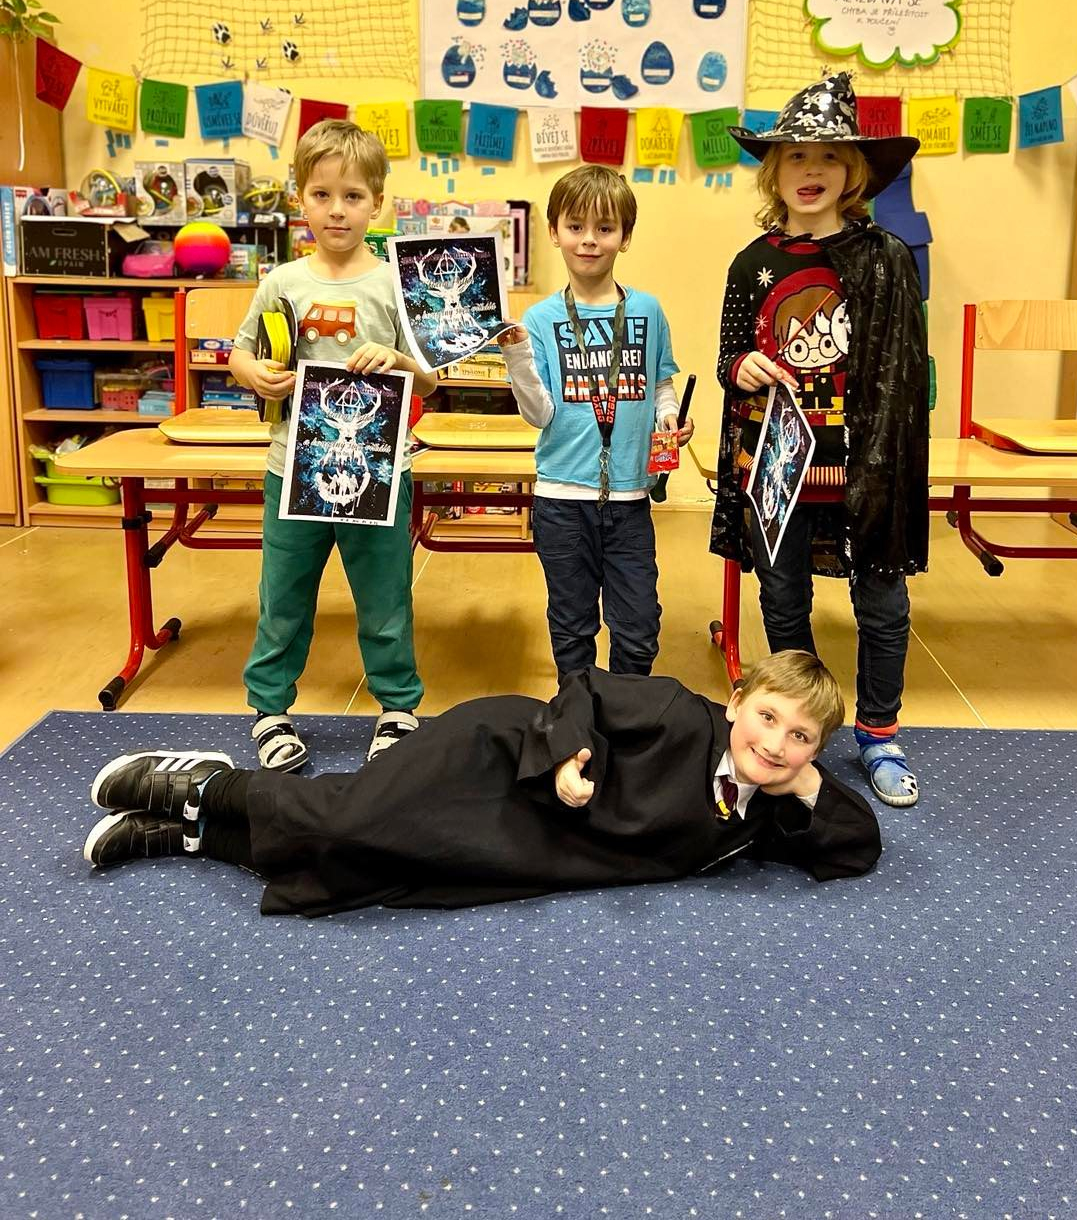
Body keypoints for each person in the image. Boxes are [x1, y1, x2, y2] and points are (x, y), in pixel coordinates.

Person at [81, 651, 881, 913]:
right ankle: (206, 787)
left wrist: (808, 789)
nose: (774, 744)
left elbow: (856, 847)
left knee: (368, 865)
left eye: (800, 739)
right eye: (767, 717)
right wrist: (569, 758)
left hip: (529, 844)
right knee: (354, 815)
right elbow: (583, 690)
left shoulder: (767, 809)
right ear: (737, 700)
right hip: (504, 756)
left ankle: (191, 838)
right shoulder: (680, 712)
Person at [714, 74, 929, 809]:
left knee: (883, 604)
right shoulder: (755, 262)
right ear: (774, 171)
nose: (812, 170)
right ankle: (793, 728)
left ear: (854, 172)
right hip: (777, 469)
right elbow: (729, 355)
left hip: (862, 466)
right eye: (797, 157)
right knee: (783, 601)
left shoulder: (886, 257)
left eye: (831, 157)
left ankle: (879, 733)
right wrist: (741, 367)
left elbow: (904, 371)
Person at [228, 119, 438, 772]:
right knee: (283, 595)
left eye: (352, 196)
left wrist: (399, 361)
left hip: (378, 471)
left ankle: (397, 707)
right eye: (322, 195)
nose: (337, 210)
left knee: (385, 597)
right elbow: (238, 352)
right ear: (300, 199)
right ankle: (269, 708)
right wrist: (254, 374)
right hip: (292, 468)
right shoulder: (281, 281)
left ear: (378, 202)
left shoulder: (396, 284)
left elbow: (431, 377)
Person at [498, 165, 693, 679]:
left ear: (624, 237)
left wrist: (669, 418)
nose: (589, 240)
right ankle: (578, 713)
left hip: (629, 501)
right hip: (562, 500)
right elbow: (539, 414)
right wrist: (517, 358)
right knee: (572, 626)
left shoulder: (647, 310)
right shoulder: (540, 319)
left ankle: (627, 713)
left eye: (605, 228)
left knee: (639, 628)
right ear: (554, 231)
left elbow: (661, 385)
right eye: (576, 226)